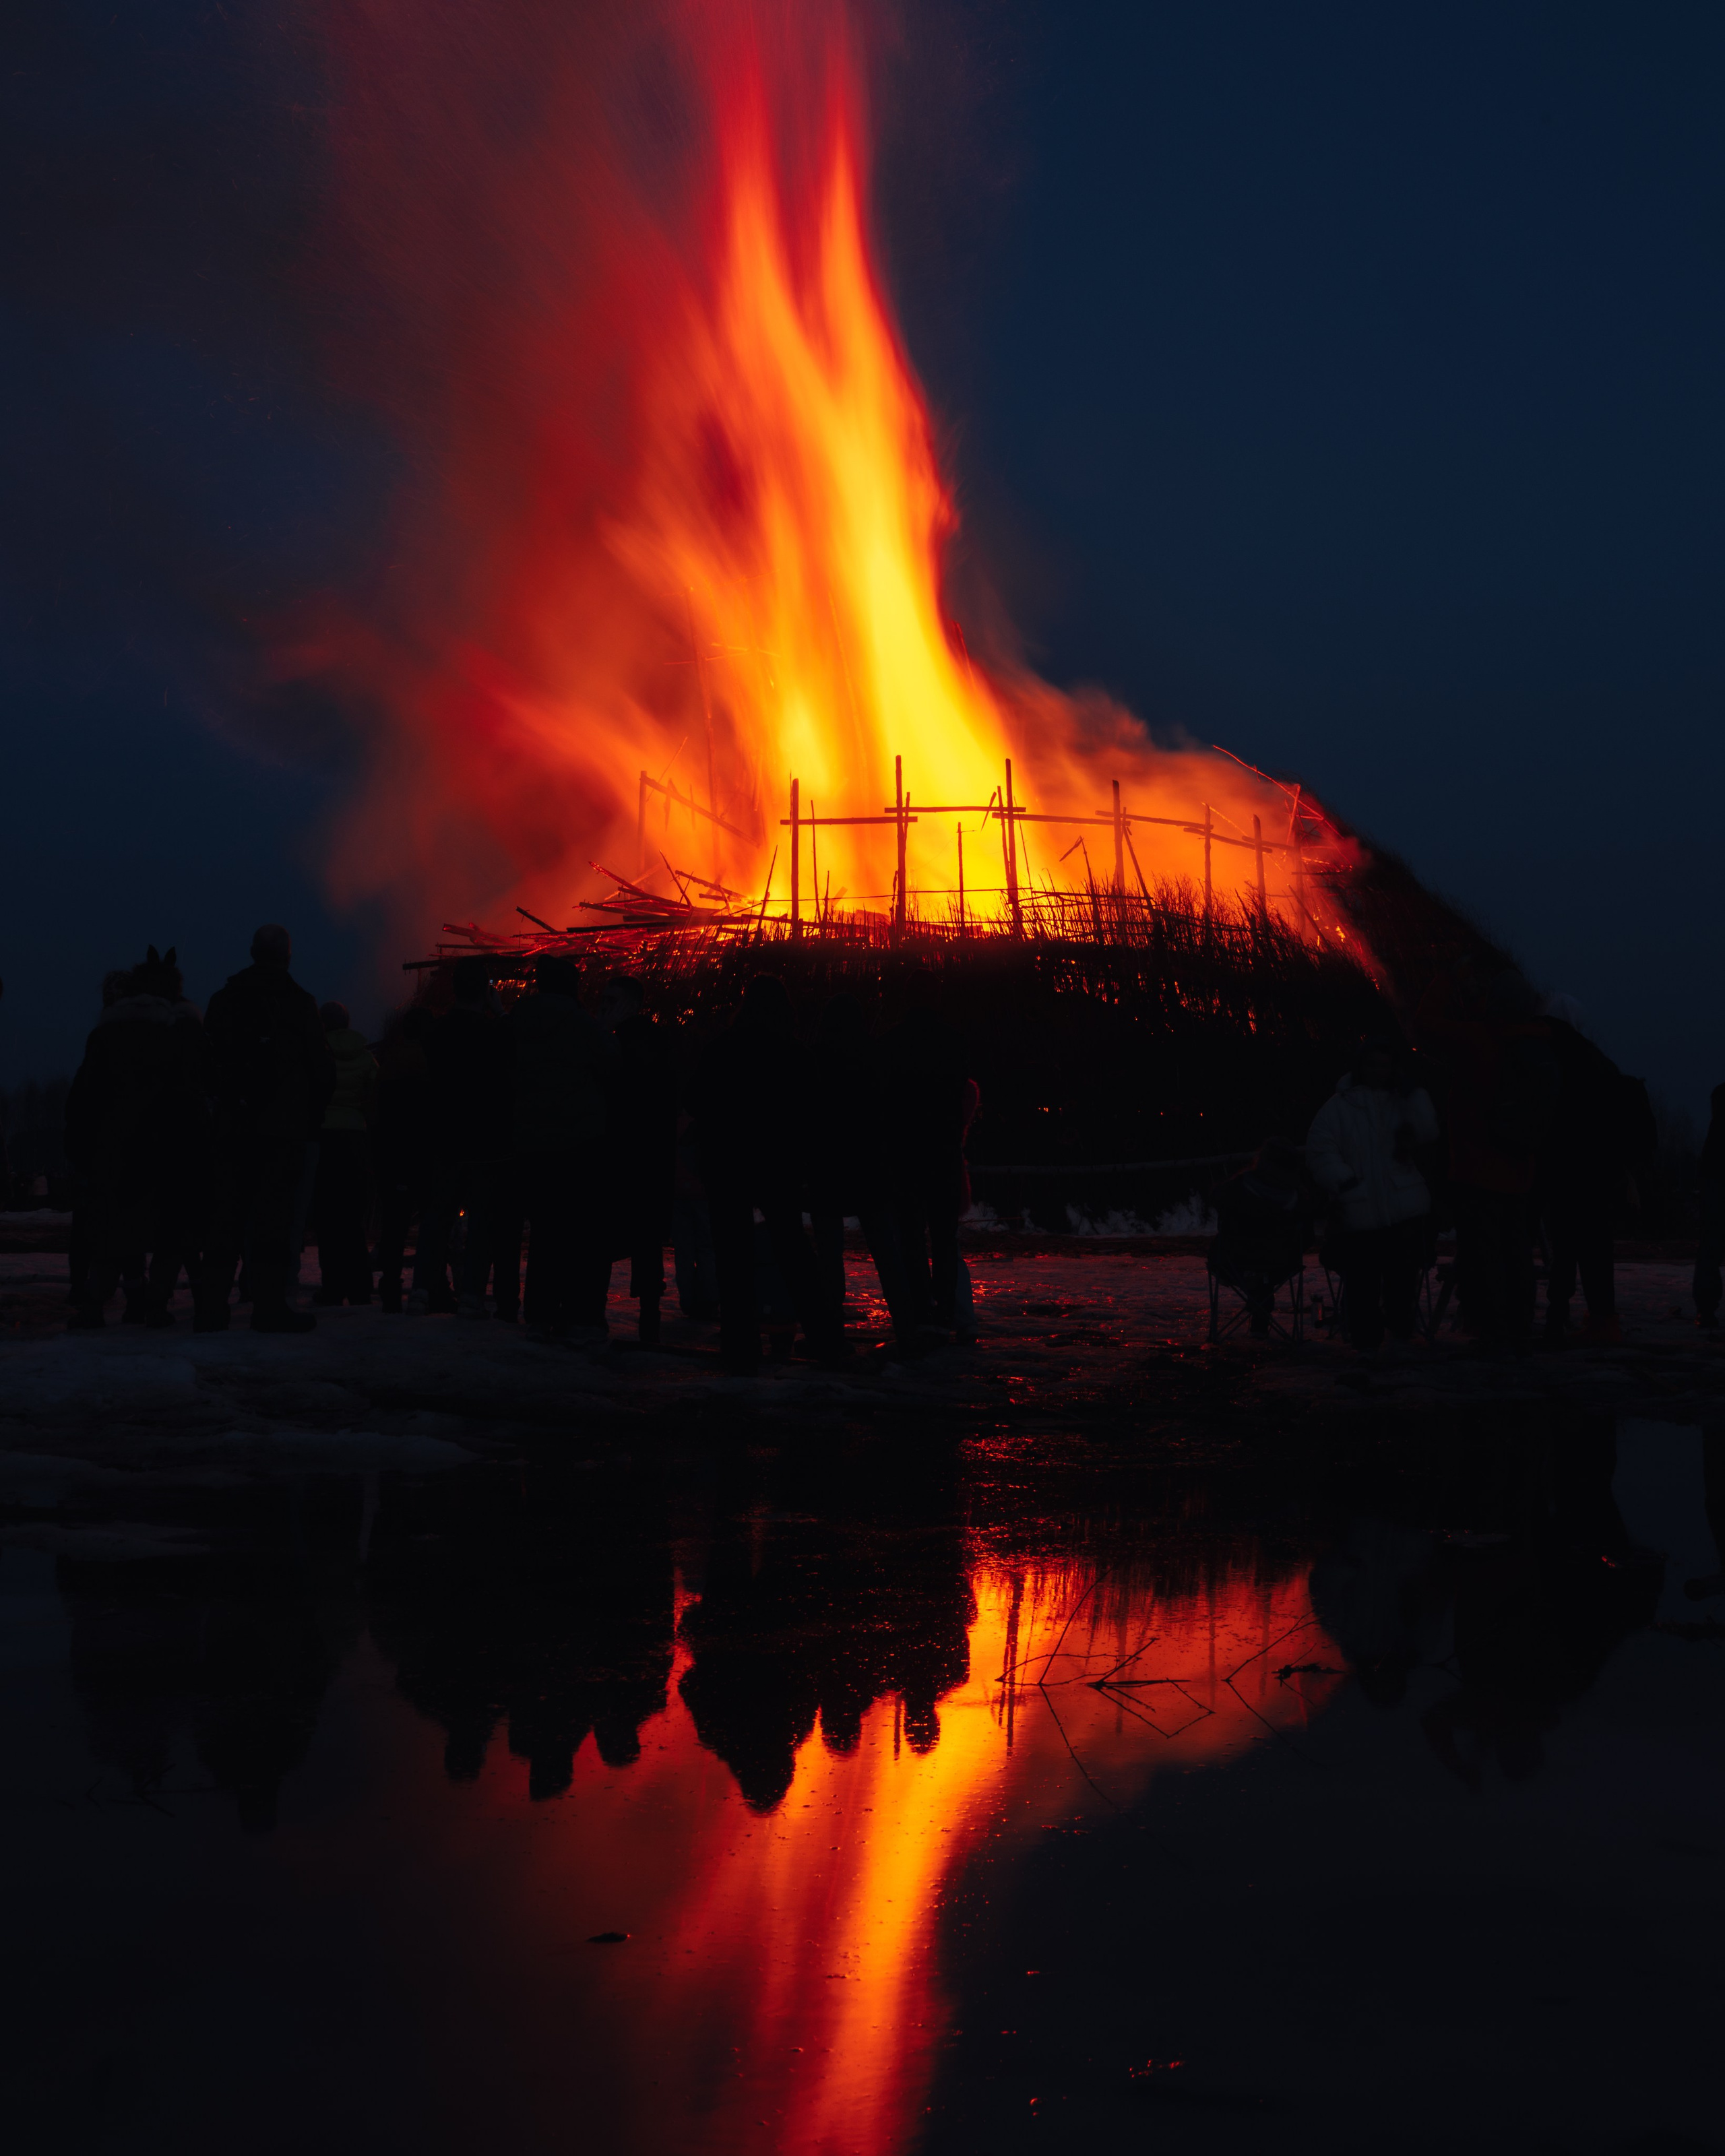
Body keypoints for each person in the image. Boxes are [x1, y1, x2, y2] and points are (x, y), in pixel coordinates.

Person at [695, 974, 836, 1375]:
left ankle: (739, 1342)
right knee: (793, 1250)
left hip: (728, 1163)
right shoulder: (795, 1053)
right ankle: (823, 1338)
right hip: (778, 1165)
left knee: (732, 1255)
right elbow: (812, 1113)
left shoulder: (720, 1050)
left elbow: (696, 1100)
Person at [63, 946, 210, 1327]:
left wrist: (82, 1151)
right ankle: (157, 1304)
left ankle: (95, 1305)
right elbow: (193, 1094)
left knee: (113, 1230)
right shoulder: (181, 1032)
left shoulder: (108, 1032)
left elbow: (83, 1097)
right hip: (169, 1149)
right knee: (171, 1229)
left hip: (114, 1149)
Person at [199, 924, 335, 1333]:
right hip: (282, 1133)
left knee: (225, 1218)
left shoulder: (224, 1001)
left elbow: (206, 1066)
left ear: (252, 951)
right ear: (288, 957)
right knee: (273, 1221)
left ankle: (211, 1309)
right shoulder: (299, 1004)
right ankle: (269, 1307)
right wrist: (307, 1118)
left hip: (234, 1128)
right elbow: (322, 1071)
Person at [1414, 961, 1555, 1350]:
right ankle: (1519, 1321)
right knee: (1517, 1251)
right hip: (1520, 1170)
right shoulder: (1537, 1042)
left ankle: (1491, 1326)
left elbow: (1424, 1023)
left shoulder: (1478, 1040)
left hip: (1478, 1169)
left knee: (1483, 1252)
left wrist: (1448, 977)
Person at [1306, 1034, 1439, 1354]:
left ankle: (1400, 1334)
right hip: (1359, 1209)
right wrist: (1345, 1181)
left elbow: (1428, 1132)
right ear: (1360, 1066)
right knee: (1362, 1282)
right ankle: (1366, 1343)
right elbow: (1320, 1149)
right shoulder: (1338, 1107)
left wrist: (1416, 1097)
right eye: (1372, 1064)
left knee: (1402, 1280)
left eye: (1385, 1065)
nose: (1378, 1071)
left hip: (1404, 1207)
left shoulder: (1404, 1101)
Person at [511, 953, 613, 1347]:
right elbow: (611, 1065)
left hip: (531, 1143)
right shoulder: (582, 1025)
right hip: (578, 1142)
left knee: (545, 1231)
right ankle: (578, 1316)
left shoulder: (516, 1024)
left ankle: (538, 1315)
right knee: (580, 1231)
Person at [1538, 1010, 1656, 1345]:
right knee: (1596, 1252)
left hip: (1572, 1172)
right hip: (1600, 1175)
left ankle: (1559, 1318)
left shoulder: (1565, 1067)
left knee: (1566, 1249)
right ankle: (1602, 1319)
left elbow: (1562, 1122)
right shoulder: (1598, 1062)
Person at [807, 992, 917, 1352]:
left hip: (827, 1167)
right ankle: (907, 1327)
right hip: (870, 1167)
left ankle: (829, 1332)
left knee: (828, 1254)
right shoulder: (876, 1056)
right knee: (887, 1252)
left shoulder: (816, 1059)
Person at [415, 958, 515, 1319]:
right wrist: (501, 1013)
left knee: (437, 1218)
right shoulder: (493, 1033)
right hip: (485, 1143)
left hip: (444, 1139)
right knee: (481, 1222)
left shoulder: (436, 1033)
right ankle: (471, 1295)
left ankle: (422, 1290)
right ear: (485, 992)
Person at [880, 970, 968, 1334]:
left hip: (905, 1155)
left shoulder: (891, 1043)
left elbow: (881, 1102)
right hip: (943, 1152)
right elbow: (962, 1095)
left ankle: (918, 1304)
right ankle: (945, 1305)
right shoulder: (953, 1042)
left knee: (911, 1233)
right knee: (945, 1235)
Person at [598, 974, 676, 1345]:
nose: (604, 1006)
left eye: (611, 1000)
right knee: (640, 1241)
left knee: (621, 1238)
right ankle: (645, 1322)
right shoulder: (643, 1039)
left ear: (630, 1003)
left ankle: (609, 1320)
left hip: (632, 1156)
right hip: (636, 1156)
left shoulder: (633, 1043)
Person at [371, 1004, 438, 1315]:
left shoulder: (389, 1061)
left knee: (395, 1224)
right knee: (431, 1223)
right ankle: (433, 1287)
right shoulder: (431, 1062)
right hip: (424, 1153)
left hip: (393, 1153)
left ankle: (390, 1284)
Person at [311, 1002, 377, 1306]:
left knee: (327, 1218)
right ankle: (361, 1289)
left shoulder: (316, 1055)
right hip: (355, 1138)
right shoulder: (366, 1059)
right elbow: (375, 1100)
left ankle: (333, 1287)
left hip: (323, 1137)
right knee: (354, 1218)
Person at [1208, 1138, 1309, 1338]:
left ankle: (1258, 1305)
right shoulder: (1298, 1199)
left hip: (1233, 1264)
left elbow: (1215, 1197)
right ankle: (1260, 1311)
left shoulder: (1237, 1188)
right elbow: (1307, 1238)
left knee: (1254, 1265)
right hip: (1281, 1266)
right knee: (1264, 1268)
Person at [1693, 1083, 1725, 1332]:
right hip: (1715, 1179)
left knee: (1710, 1247)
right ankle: (1705, 1308)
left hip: (1714, 1179)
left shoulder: (1720, 1096)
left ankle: (1706, 1309)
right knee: (1710, 1247)